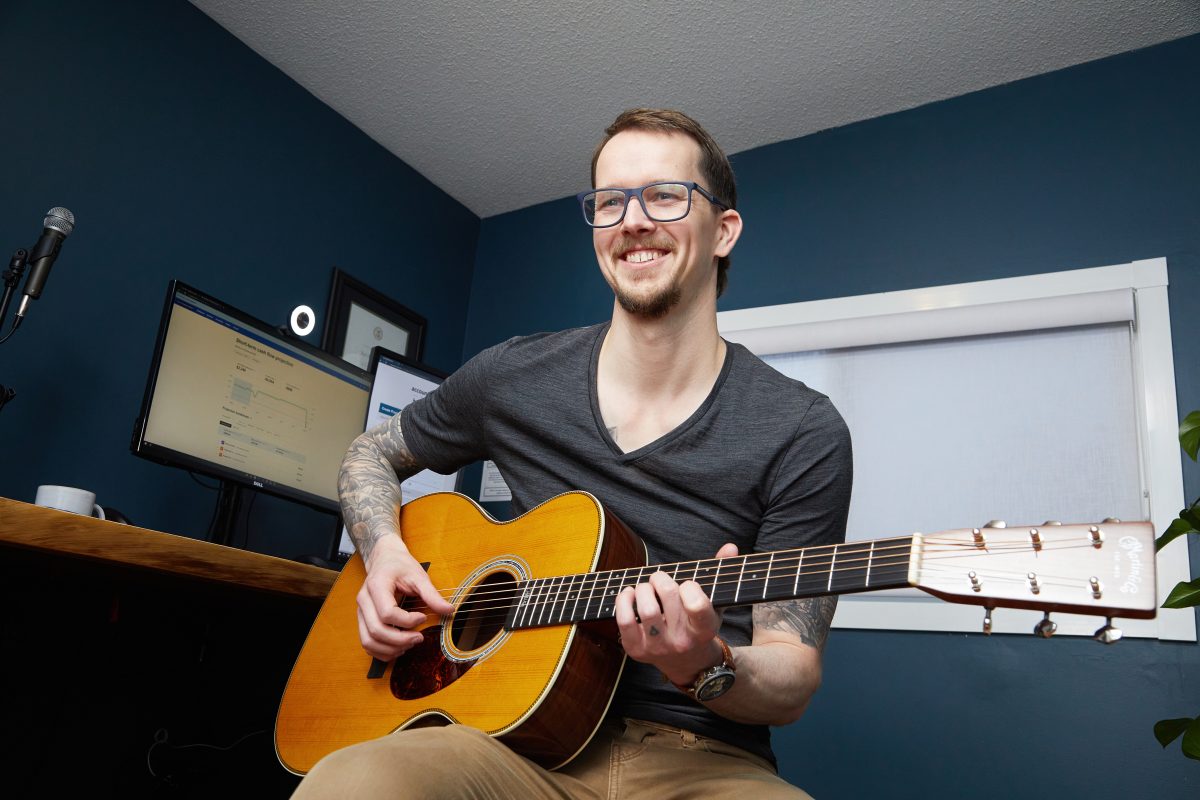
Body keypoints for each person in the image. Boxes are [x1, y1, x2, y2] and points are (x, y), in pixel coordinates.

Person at [293, 108, 852, 799]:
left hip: (702, 758)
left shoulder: (804, 430)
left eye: (665, 195)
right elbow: (370, 453)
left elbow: (792, 674)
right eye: (610, 201)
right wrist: (382, 555)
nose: (632, 221)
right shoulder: (512, 375)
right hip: (505, 744)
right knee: (353, 781)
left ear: (724, 231)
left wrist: (704, 663)